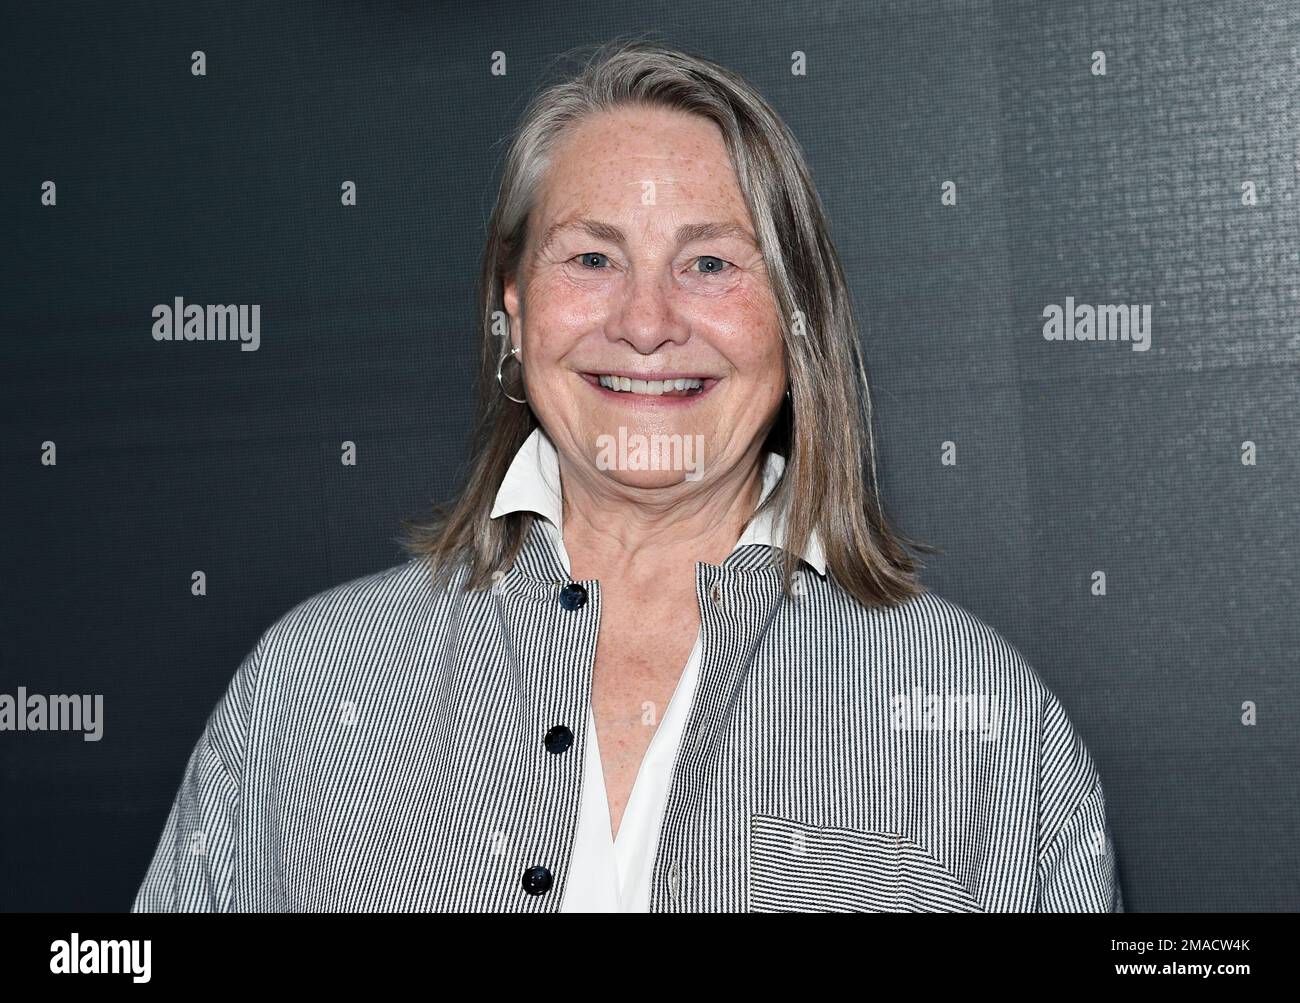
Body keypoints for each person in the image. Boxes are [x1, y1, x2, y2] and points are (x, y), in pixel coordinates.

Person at [132, 39, 1122, 912]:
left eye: (709, 265)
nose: (646, 324)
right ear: (512, 309)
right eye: (593, 258)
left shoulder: (981, 717)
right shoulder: (307, 690)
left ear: (795, 319)